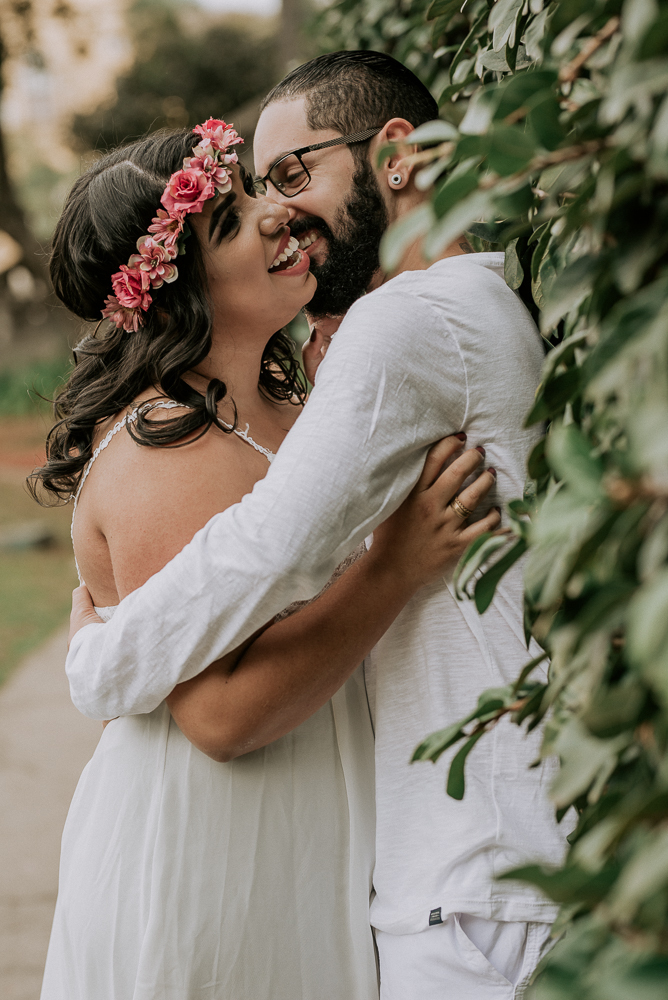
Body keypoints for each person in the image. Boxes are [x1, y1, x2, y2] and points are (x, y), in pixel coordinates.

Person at [66, 53, 573, 999]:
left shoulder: (390, 335)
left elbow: (274, 548)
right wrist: (389, 568)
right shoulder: (179, 438)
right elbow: (220, 706)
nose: (280, 213)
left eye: (290, 178)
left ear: (396, 158)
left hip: (436, 861)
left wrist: (101, 653)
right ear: (176, 286)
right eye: (244, 205)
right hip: (243, 836)